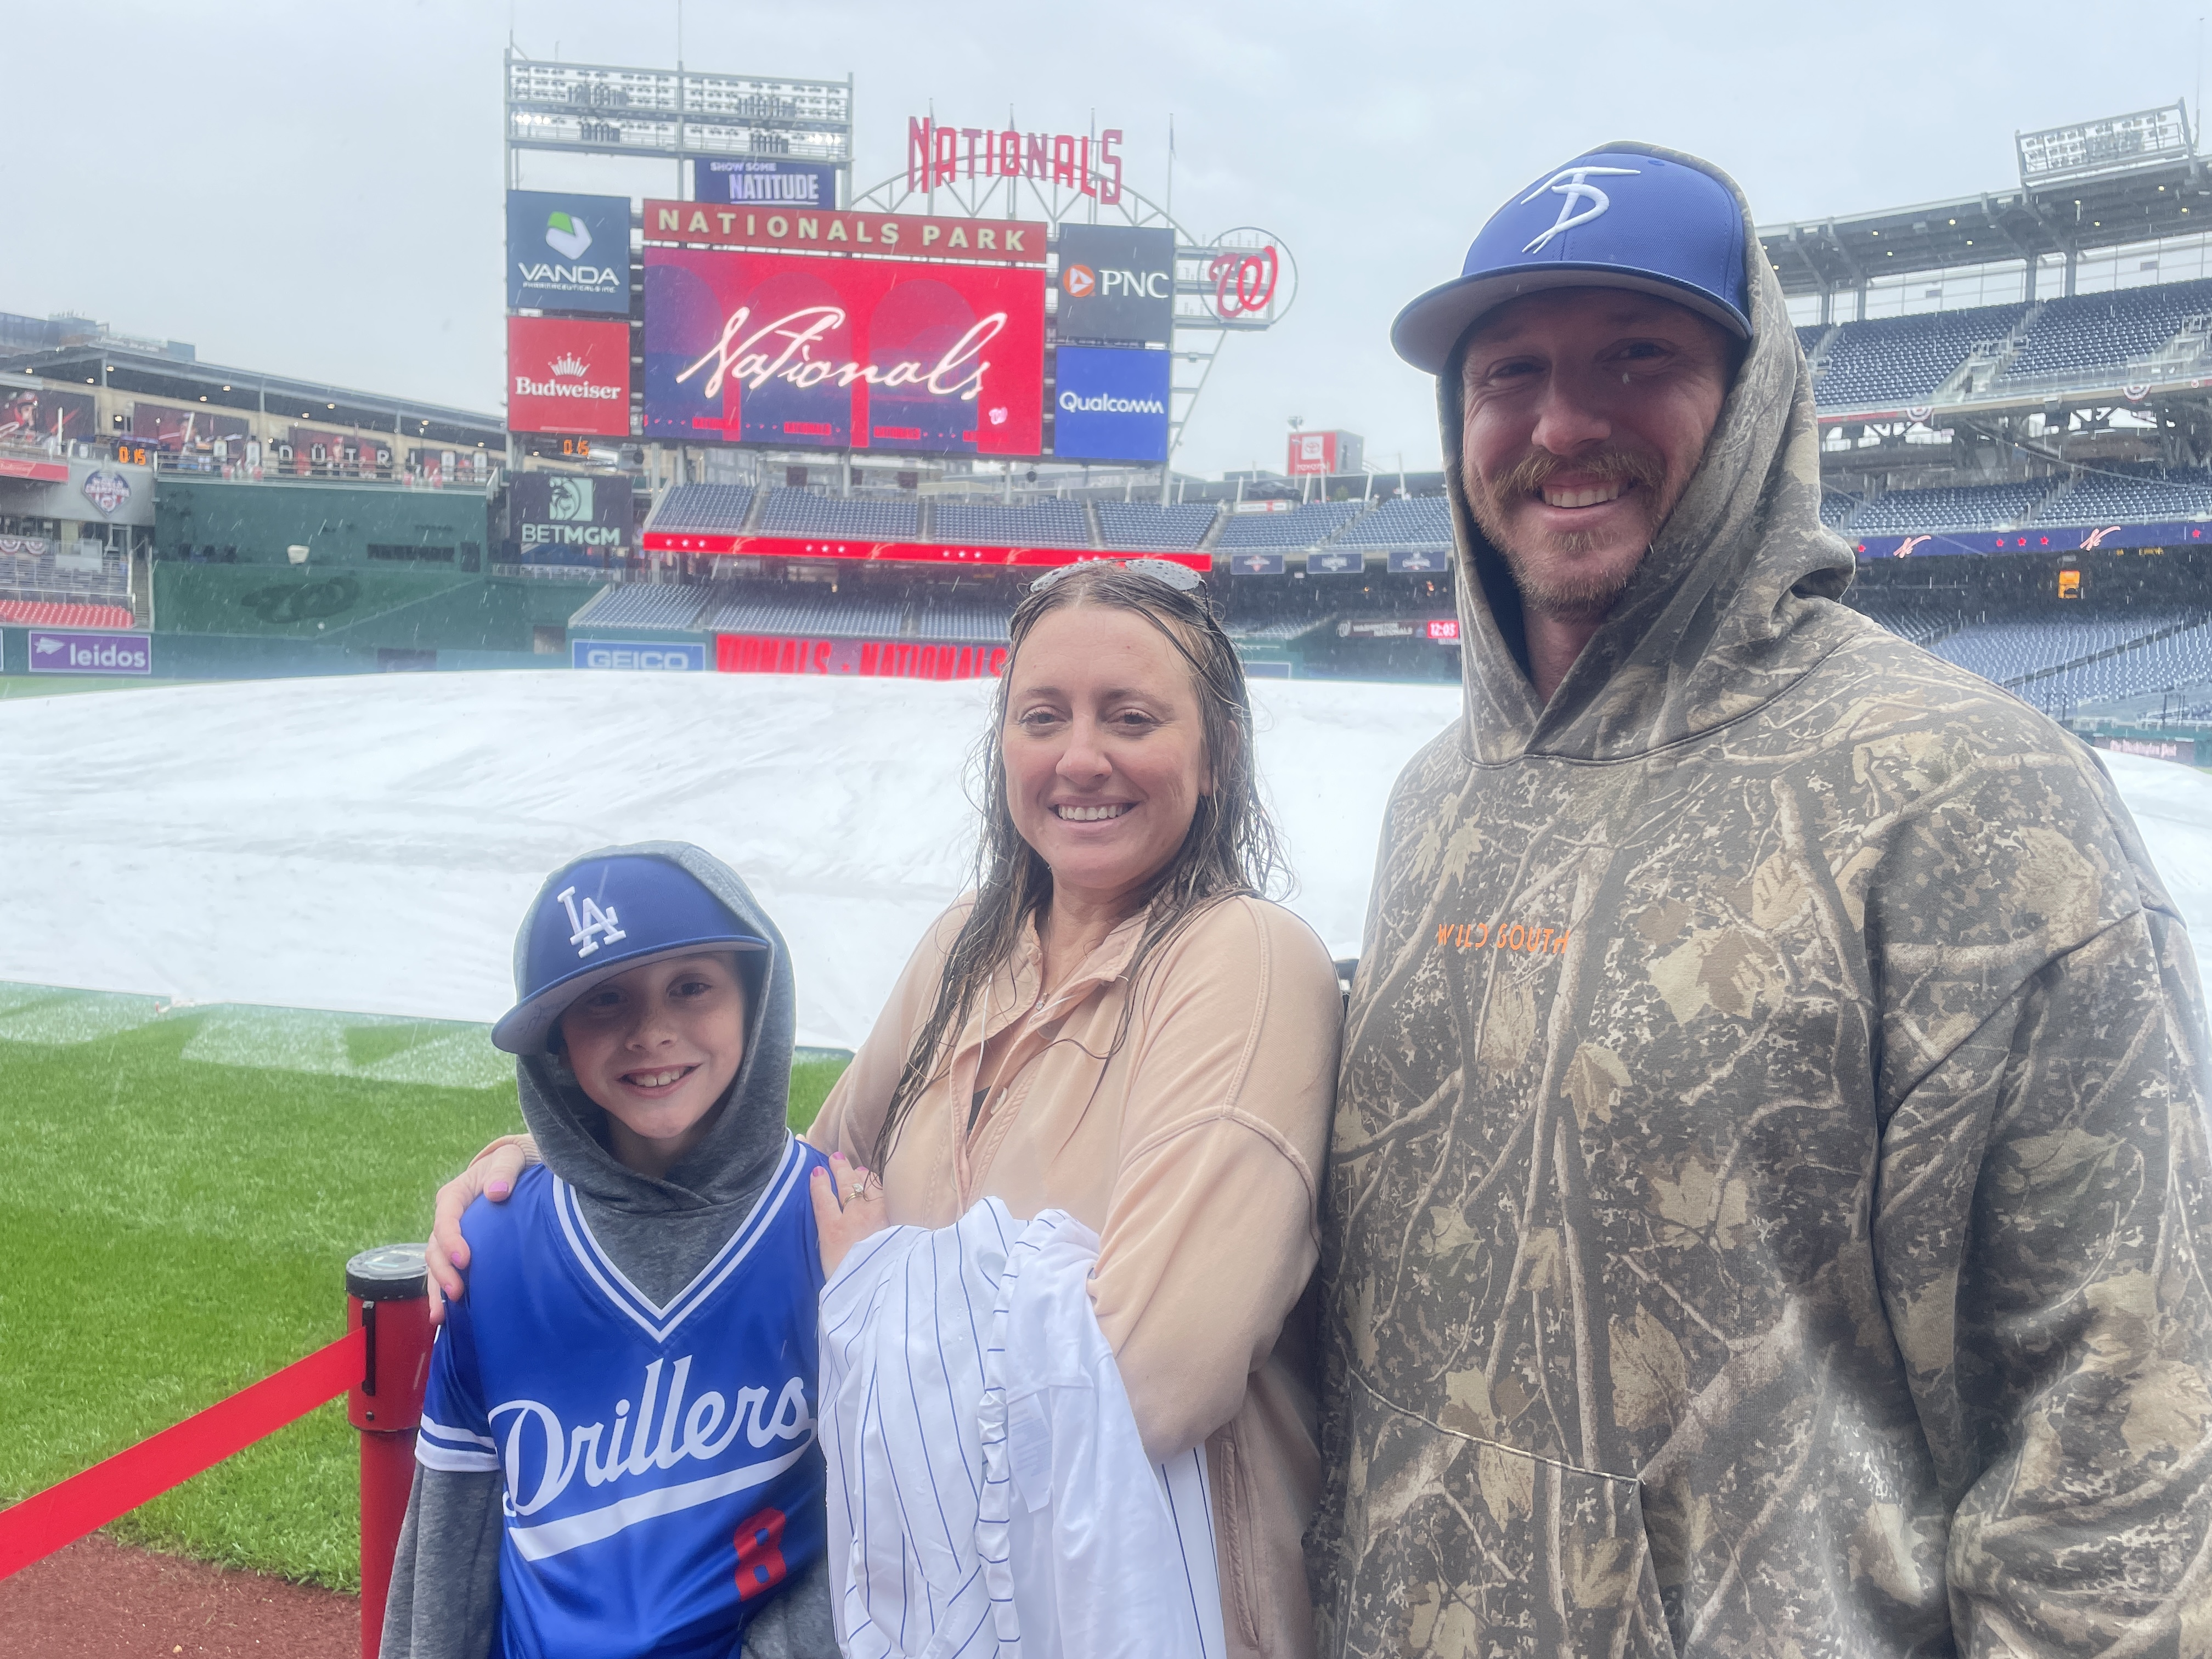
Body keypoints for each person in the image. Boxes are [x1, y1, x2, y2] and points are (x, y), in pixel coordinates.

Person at [1308, 143, 2212, 1655]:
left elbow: (2128, 1436)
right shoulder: (1437, 800)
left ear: (1757, 399)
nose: (1560, 423)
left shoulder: (1975, 794)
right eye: (1507, 372)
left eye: (1637, 357)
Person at [435, 561, 1345, 1659]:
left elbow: (1147, 1383)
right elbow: (784, 1208)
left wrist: (877, 1310)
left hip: (1152, 1610)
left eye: (1133, 717)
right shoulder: (971, 946)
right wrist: (577, 1158)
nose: (1080, 757)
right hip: (957, 1613)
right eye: (1042, 716)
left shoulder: (1242, 958)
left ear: (1218, 756)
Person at [383, 843, 836, 1659]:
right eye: (602, 1002)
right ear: (555, 1040)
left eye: (691, 987)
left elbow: (893, 1528)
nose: (651, 1032)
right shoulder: (492, 1242)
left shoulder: (835, 1225)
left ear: (754, 998)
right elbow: (453, 1534)